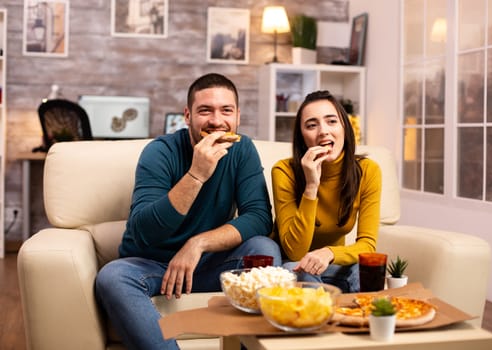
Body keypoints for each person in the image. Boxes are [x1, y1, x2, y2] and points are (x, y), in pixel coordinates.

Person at [95, 73, 281, 349]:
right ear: (187, 116)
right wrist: (196, 175)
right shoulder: (159, 152)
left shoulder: (243, 150)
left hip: (209, 264)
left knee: (264, 248)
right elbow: (144, 231)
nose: (217, 121)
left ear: (238, 117)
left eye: (226, 110)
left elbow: (259, 217)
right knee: (112, 276)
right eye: (205, 110)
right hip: (154, 266)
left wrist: (198, 244)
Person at [271, 90, 381, 293]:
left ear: (345, 128)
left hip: (333, 263)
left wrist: (329, 253)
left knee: (363, 269)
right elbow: (295, 252)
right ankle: (322, 318)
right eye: (312, 125)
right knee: (301, 270)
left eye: (331, 121)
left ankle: (363, 320)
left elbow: (367, 245)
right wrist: (311, 186)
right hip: (292, 265)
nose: (323, 131)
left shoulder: (368, 171)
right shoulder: (283, 171)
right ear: (302, 138)